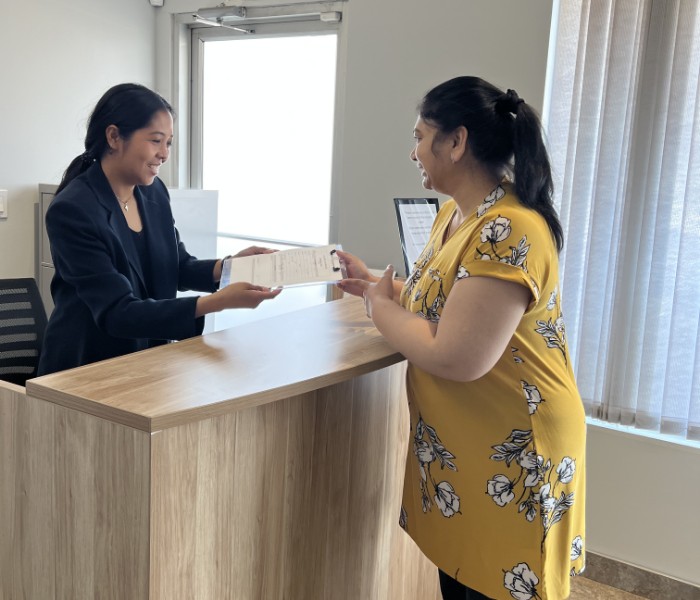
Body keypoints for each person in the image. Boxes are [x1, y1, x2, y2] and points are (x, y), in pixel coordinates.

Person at [337, 76, 585, 600]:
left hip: (515, 446)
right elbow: (451, 303)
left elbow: (456, 353)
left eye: (421, 136)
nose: (413, 151)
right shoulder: (455, 215)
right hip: (469, 446)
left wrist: (380, 308)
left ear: (457, 141)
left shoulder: (508, 227)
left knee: (501, 585)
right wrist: (378, 286)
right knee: (463, 578)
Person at [38, 83, 281, 376]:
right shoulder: (74, 210)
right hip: (86, 367)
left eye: (169, 143)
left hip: (147, 359)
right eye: (156, 141)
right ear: (114, 137)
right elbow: (117, 312)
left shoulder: (153, 193)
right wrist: (218, 302)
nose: (164, 154)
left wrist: (230, 268)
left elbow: (176, 266)